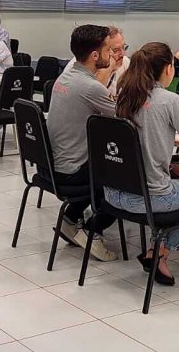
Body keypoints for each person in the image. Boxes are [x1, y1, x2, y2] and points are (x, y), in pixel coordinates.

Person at [107, 42, 179, 284]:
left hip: (113, 193)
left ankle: (156, 250)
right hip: (148, 198)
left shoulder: (123, 96)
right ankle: (160, 253)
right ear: (168, 68)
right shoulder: (169, 100)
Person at [44, 24, 120, 262]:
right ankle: (92, 232)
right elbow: (124, 117)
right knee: (126, 179)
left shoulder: (66, 76)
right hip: (71, 171)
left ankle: (69, 220)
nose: (113, 54)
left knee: (104, 164)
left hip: (52, 165)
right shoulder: (90, 86)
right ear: (95, 55)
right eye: (109, 49)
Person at [64, 26, 129, 98]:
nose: (123, 54)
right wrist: (105, 72)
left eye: (124, 47)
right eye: (115, 50)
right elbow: (92, 97)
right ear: (95, 54)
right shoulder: (76, 67)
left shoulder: (125, 62)